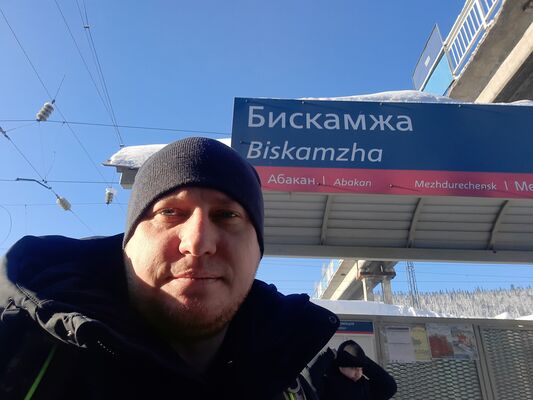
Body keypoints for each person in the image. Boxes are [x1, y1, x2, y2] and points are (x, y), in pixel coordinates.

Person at [0, 137, 339, 399]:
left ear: (257, 252)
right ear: (128, 243)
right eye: (170, 213)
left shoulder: (289, 384)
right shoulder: (15, 354)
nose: (198, 242)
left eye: (227, 215)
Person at [308, 340, 397, 400]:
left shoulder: (365, 387)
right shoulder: (330, 380)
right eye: (354, 368)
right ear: (342, 364)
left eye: (361, 368)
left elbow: (389, 386)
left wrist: (362, 360)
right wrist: (329, 356)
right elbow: (315, 375)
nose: (359, 373)